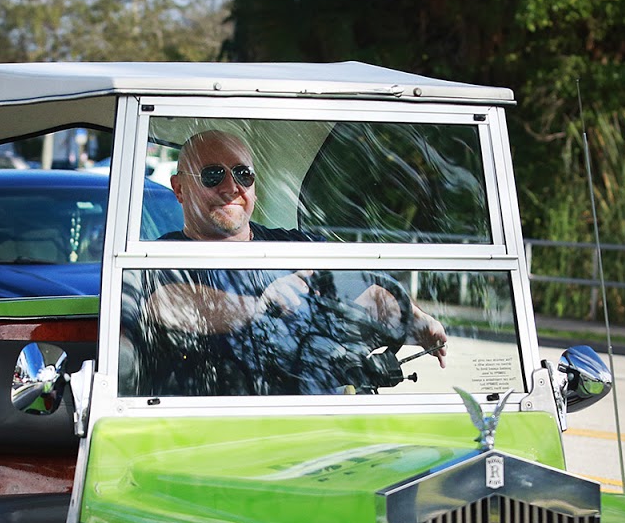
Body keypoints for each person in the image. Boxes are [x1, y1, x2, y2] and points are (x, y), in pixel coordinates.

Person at [124, 130, 448, 394]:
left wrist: (414, 321)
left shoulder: (297, 245)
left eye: (243, 174)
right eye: (213, 175)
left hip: (311, 428)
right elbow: (170, 304)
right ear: (179, 189)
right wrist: (261, 306)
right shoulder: (161, 257)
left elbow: (367, 293)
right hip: (211, 434)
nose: (232, 186)